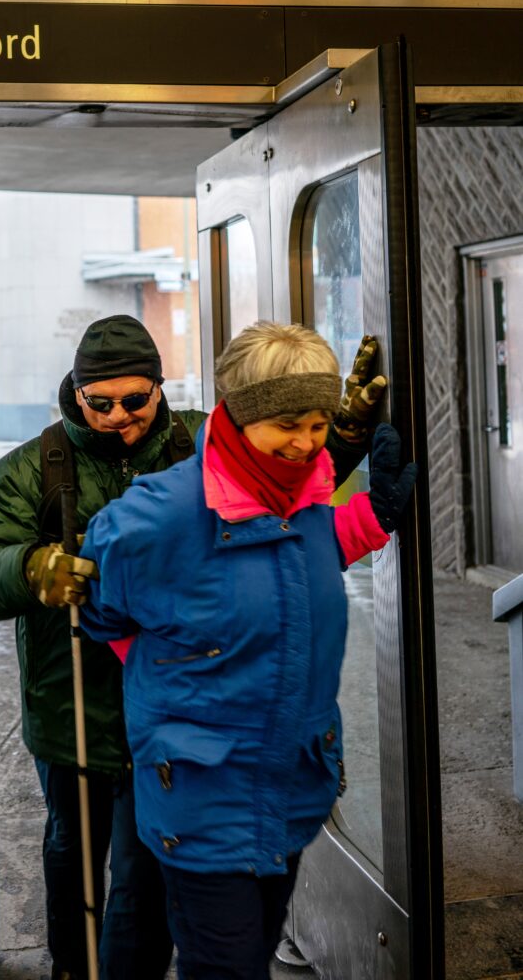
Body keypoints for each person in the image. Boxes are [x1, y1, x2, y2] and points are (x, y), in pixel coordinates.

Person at [0, 315, 384, 980]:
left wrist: (340, 432)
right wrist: (32, 567)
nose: (119, 416)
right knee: (74, 866)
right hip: (79, 714)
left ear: (159, 388)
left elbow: (284, 480)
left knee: (139, 888)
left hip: (178, 719)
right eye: (101, 403)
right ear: (76, 393)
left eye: (135, 399)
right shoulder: (31, 467)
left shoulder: (197, 441)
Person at [78, 321, 417, 980]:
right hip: (204, 796)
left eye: (320, 422)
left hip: (288, 786)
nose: (308, 441)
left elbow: (289, 564)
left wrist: (369, 517)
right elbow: (105, 614)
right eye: (288, 423)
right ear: (238, 417)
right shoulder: (155, 519)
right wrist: (178, 684)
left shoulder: (305, 488)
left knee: (251, 953)